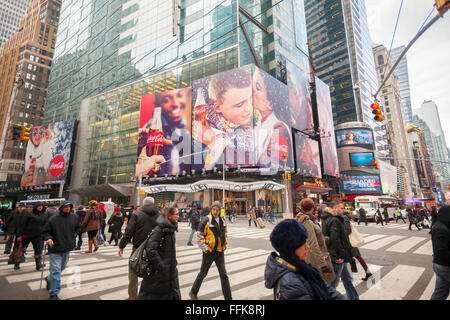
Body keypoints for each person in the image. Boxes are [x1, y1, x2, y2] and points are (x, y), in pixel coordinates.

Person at [264, 219, 346, 300]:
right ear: (291, 248)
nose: (308, 247)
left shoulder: (302, 267)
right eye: (302, 244)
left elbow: (327, 289)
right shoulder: (291, 283)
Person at [118, 196, 160, 300]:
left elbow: (129, 232)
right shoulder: (160, 216)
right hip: (154, 249)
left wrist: (121, 245)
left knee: (133, 271)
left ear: (143, 204)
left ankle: (132, 297)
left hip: (138, 249)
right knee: (153, 273)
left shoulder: (137, 214)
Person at [189, 201, 232, 300]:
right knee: (202, 274)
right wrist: (206, 249)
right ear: (211, 209)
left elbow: (225, 233)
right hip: (209, 252)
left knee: (224, 275)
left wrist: (225, 244)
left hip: (220, 252)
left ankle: (228, 298)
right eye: (214, 210)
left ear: (220, 210)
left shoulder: (222, 220)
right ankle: (193, 292)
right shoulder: (206, 220)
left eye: (217, 210)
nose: (215, 212)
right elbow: (199, 237)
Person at [138, 206, 181, 300]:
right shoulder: (160, 230)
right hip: (160, 273)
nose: (178, 216)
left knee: (172, 293)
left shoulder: (170, 229)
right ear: (169, 216)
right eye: (176, 214)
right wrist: (162, 266)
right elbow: (151, 249)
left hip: (170, 271)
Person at [320, 201, 359, 300]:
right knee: (333, 283)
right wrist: (341, 256)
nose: (344, 210)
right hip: (337, 257)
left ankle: (354, 298)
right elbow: (335, 240)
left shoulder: (326, 218)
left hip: (336, 255)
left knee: (347, 279)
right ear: (335, 208)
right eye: (341, 208)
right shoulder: (334, 220)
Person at [42, 202, 81, 300]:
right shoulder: (53, 219)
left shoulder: (74, 217)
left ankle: (49, 279)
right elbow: (45, 231)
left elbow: (79, 227)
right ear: (61, 208)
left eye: (69, 207)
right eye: (66, 207)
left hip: (67, 247)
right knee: (56, 270)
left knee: (61, 268)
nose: (68, 208)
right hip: (55, 248)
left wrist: (75, 234)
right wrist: (48, 238)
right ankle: (54, 293)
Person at [295, 198, 335, 284]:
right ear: (313, 208)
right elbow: (312, 243)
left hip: (309, 258)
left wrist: (326, 239)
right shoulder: (306, 221)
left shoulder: (300, 218)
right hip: (314, 260)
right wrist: (323, 265)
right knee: (324, 286)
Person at [342, 210, 373, 282]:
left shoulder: (344, 218)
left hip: (350, 242)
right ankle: (368, 273)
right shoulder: (345, 218)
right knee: (357, 258)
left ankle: (367, 273)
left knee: (356, 258)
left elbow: (348, 230)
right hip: (349, 242)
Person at [15, 202, 48, 271]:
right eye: (38, 206)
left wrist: (44, 234)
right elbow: (21, 224)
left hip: (38, 235)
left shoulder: (44, 215)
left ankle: (38, 265)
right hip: (26, 234)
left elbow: (45, 225)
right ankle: (17, 263)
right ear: (35, 206)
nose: (40, 207)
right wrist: (19, 235)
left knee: (38, 250)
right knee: (22, 249)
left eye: (41, 206)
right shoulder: (28, 213)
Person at [430, 206, 450, 300]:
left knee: (440, 293)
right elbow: (441, 251)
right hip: (444, 266)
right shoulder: (440, 228)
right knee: (440, 293)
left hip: (440, 265)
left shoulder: (442, 225)